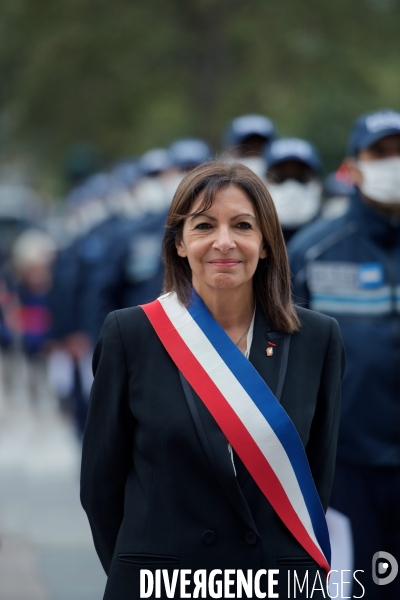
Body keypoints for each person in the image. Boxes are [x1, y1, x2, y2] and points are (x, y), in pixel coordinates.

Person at [80, 161, 344, 599]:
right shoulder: (131, 334)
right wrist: (145, 567)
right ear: (179, 244)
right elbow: (101, 487)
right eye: (204, 225)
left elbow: (316, 480)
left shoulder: (317, 339)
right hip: (162, 584)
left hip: (272, 582)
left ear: (265, 245)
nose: (224, 242)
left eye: (242, 225)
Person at [288, 108, 400, 599]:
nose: (393, 163)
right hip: (344, 472)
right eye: (381, 153)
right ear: (353, 167)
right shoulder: (314, 253)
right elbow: (281, 363)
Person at [264, 138, 323, 243]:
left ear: (318, 184)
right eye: (281, 178)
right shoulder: (253, 241)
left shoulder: (330, 239)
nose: (291, 187)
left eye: (300, 177)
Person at [223, 114, 276, 178]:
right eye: (247, 145)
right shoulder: (224, 175)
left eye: (259, 145)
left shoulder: (275, 177)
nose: (254, 149)